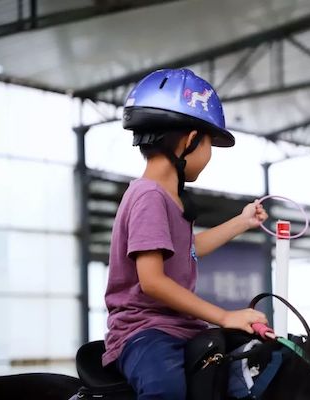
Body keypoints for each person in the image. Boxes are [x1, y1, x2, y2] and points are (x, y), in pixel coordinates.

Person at [102, 68, 269, 400]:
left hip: (182, 328)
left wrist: (241, 221)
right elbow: (153, 281)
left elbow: (187, 249)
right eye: (209, 144)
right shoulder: (149, 196)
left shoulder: (167, 197)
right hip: (145, 331)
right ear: (190, 140)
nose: (209, 156)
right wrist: (224, 316)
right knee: (167, 391)